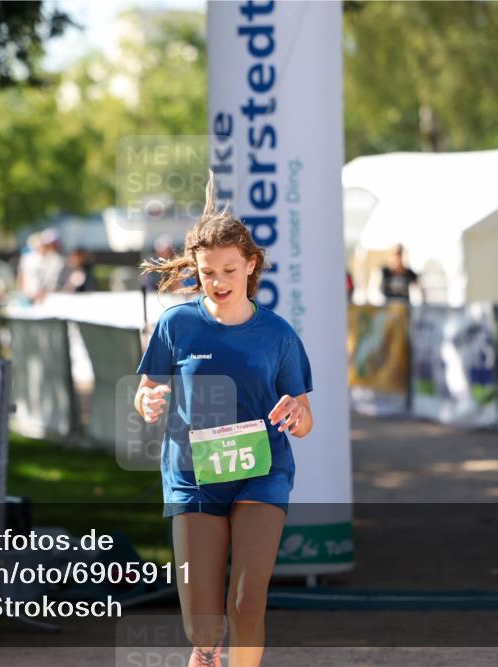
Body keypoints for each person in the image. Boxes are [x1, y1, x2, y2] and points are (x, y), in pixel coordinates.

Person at [134, 174, 314, 667]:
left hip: (261, 471)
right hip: (193, 478)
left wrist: (296, 414)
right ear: (195, 267)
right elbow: (147, 389)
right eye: (208, 271)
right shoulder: (177, 325)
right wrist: (148, 401)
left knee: (246, 600)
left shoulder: (276, 334)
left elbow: (304, 416)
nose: (218, 282)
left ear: (250, 265)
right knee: (202, 622)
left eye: (229, 270)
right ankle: (206, 652)